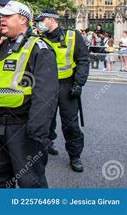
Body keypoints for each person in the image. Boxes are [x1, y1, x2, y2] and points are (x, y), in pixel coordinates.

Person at [0, 1, 59, 188]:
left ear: (23, 19)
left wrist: (37, 134)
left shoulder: (38, 48)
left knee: (30, 183)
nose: (2, 19)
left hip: (23, 128)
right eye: (1, 15)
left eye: (8, 16)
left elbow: (46, 94)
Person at [35, 9, 90, 172]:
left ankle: (75, 156)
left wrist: (79, 83)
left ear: (51, 20)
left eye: (42, 20)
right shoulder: (38, 39)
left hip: (67, 86)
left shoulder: (72, 36)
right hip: (45, 86)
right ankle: (48, 143)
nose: (39, 24)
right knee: (44, 120)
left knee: (70, 123)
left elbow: (83, 60)